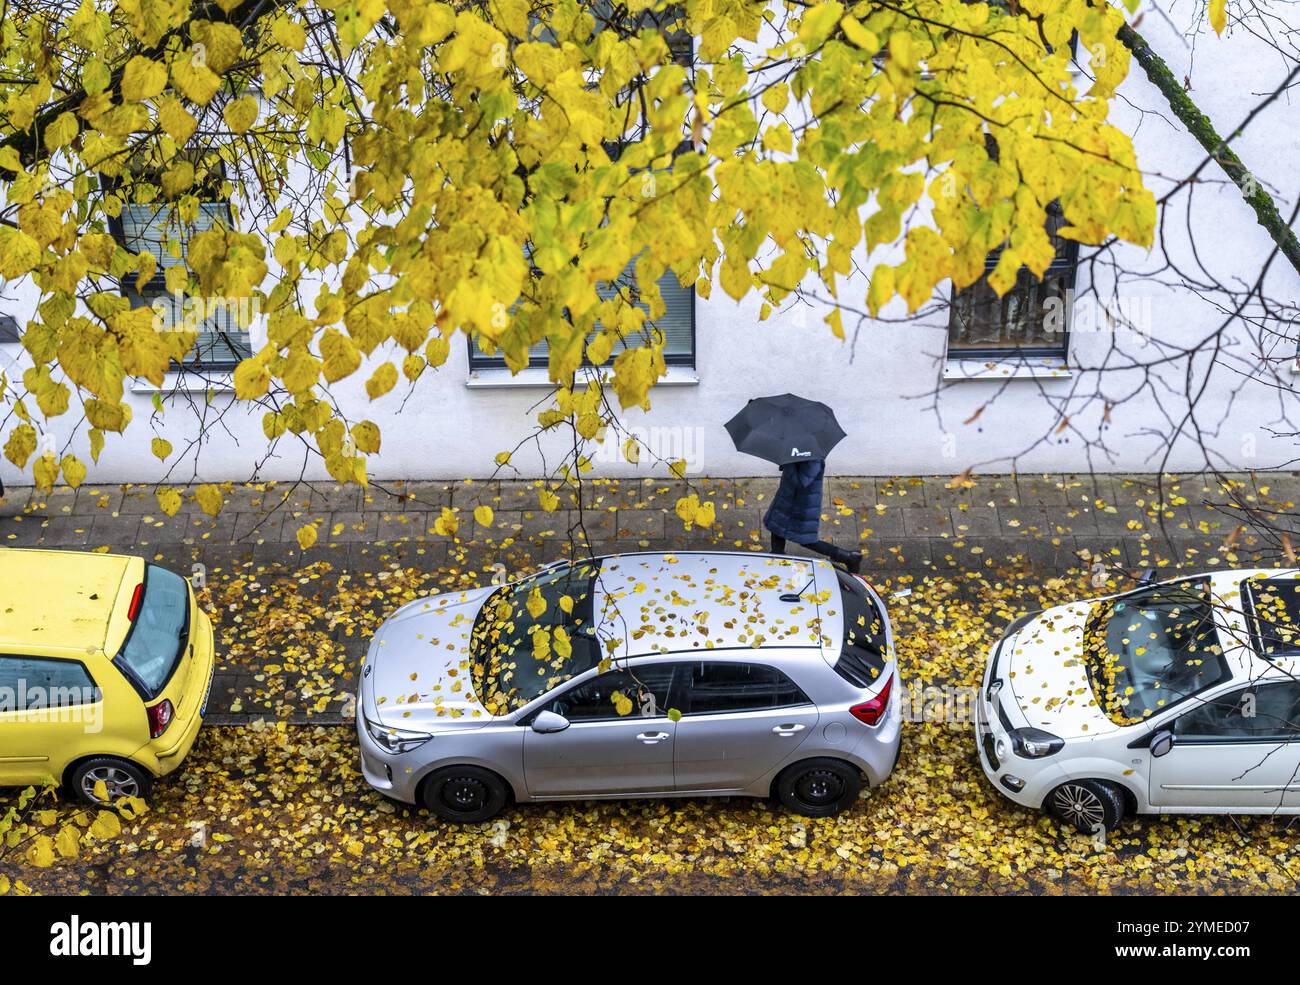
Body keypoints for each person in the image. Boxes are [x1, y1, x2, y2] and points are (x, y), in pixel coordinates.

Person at [764, 458, 863, 574]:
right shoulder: (797, 451)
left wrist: (788, 464)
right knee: (777, 527)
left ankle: (849, 557)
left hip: (802, 505)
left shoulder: (814, 461)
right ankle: (777, 558)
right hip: (788, 499)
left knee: (806, 540)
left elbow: (801, 482)